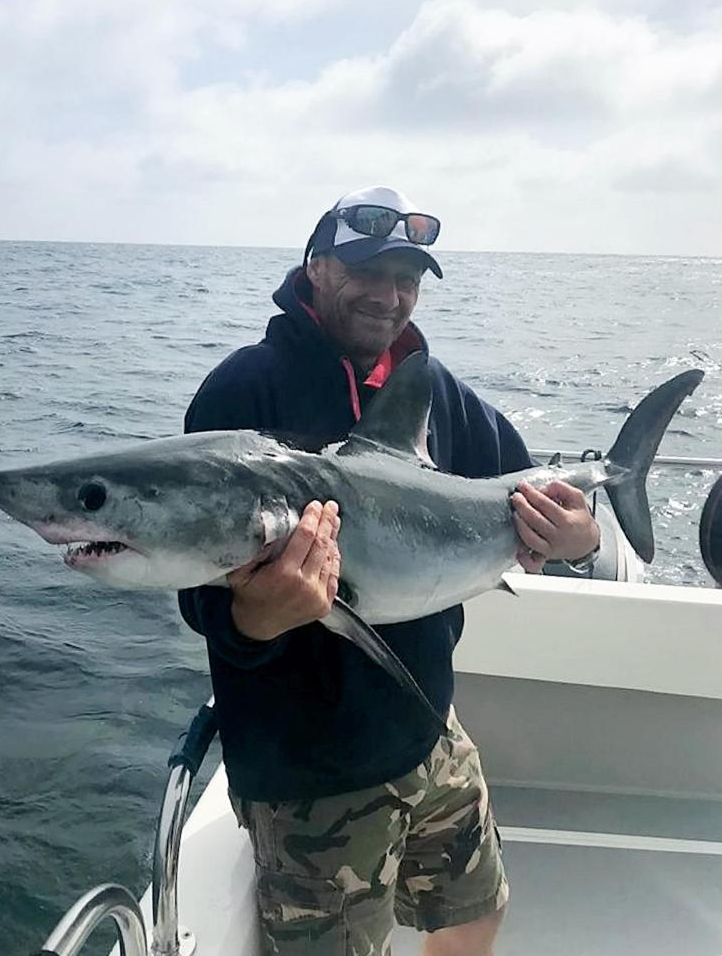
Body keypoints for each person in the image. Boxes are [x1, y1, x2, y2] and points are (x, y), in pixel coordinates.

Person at [178, 186, 600, 956]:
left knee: (477, 914)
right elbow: (194, 589)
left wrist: (576, 535)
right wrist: (255, 618)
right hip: (314, 776)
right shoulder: (244, 389)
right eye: (367, 270)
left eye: (407, 277)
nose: (390, 294)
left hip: (431, 731)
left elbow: (531, 490)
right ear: (314, 268)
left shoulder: (431, 390)